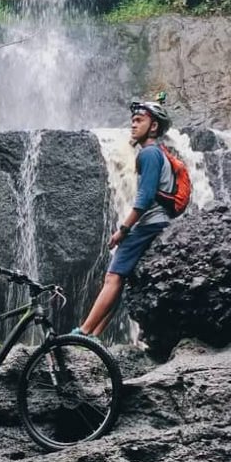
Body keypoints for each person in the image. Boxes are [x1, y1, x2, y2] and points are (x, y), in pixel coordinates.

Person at [73, 98, 174, 339]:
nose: (133, 125)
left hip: (150, 225)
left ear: (153, 126)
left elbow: (145, 198)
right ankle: (95, 334)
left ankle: (83, 332)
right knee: (120, 279)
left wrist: (123, 230)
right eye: (132, 121)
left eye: (139, 120)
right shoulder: (158, 153)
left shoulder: (149, 153)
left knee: (113, 276)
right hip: (161, 223)